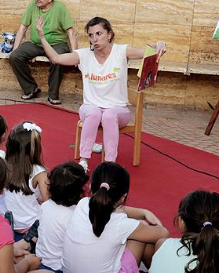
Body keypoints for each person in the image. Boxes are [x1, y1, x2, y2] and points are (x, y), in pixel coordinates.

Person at [36, 16, 167, 171]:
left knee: (109, 115)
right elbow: (56, 58)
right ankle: (84, 161)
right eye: (91, 35)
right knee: (94, 113)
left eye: (99, 34)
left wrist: (160, 44)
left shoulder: (122, 51)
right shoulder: (84, 55)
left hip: (118, 110)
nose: (94, 39)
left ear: (109, 34)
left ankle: (109, 164)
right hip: (90, 108)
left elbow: (149, 53)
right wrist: (41, 36)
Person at [62, 162, 169, 273]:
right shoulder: (121, 224)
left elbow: (107, 207)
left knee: (137, 228)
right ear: (123, 197)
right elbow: (163, 233)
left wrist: (143, 211)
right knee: (140, 234)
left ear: (91, 187)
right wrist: (144, 216)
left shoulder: (82, 204)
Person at [10, 0, 78, 104]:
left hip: (56, 44)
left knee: (58, 59)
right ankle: (31, 89)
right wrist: (15, 49)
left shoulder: (60, 8)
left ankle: (53, 95)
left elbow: (70, 32)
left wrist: (75, 54)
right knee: (15, 56)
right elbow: (22, 28)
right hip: (36, 43)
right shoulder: (32, 5)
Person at [35, 162, 87, 271]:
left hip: (41, 260)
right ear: (80, 191)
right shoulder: (75, 216)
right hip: (59, 268)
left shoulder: (45, 206)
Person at [4, 122, 49, 234]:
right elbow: (48, 201)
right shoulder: (39, 172)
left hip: (8, 223)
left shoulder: (3, 165)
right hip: (31, 224)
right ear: (35, 148)